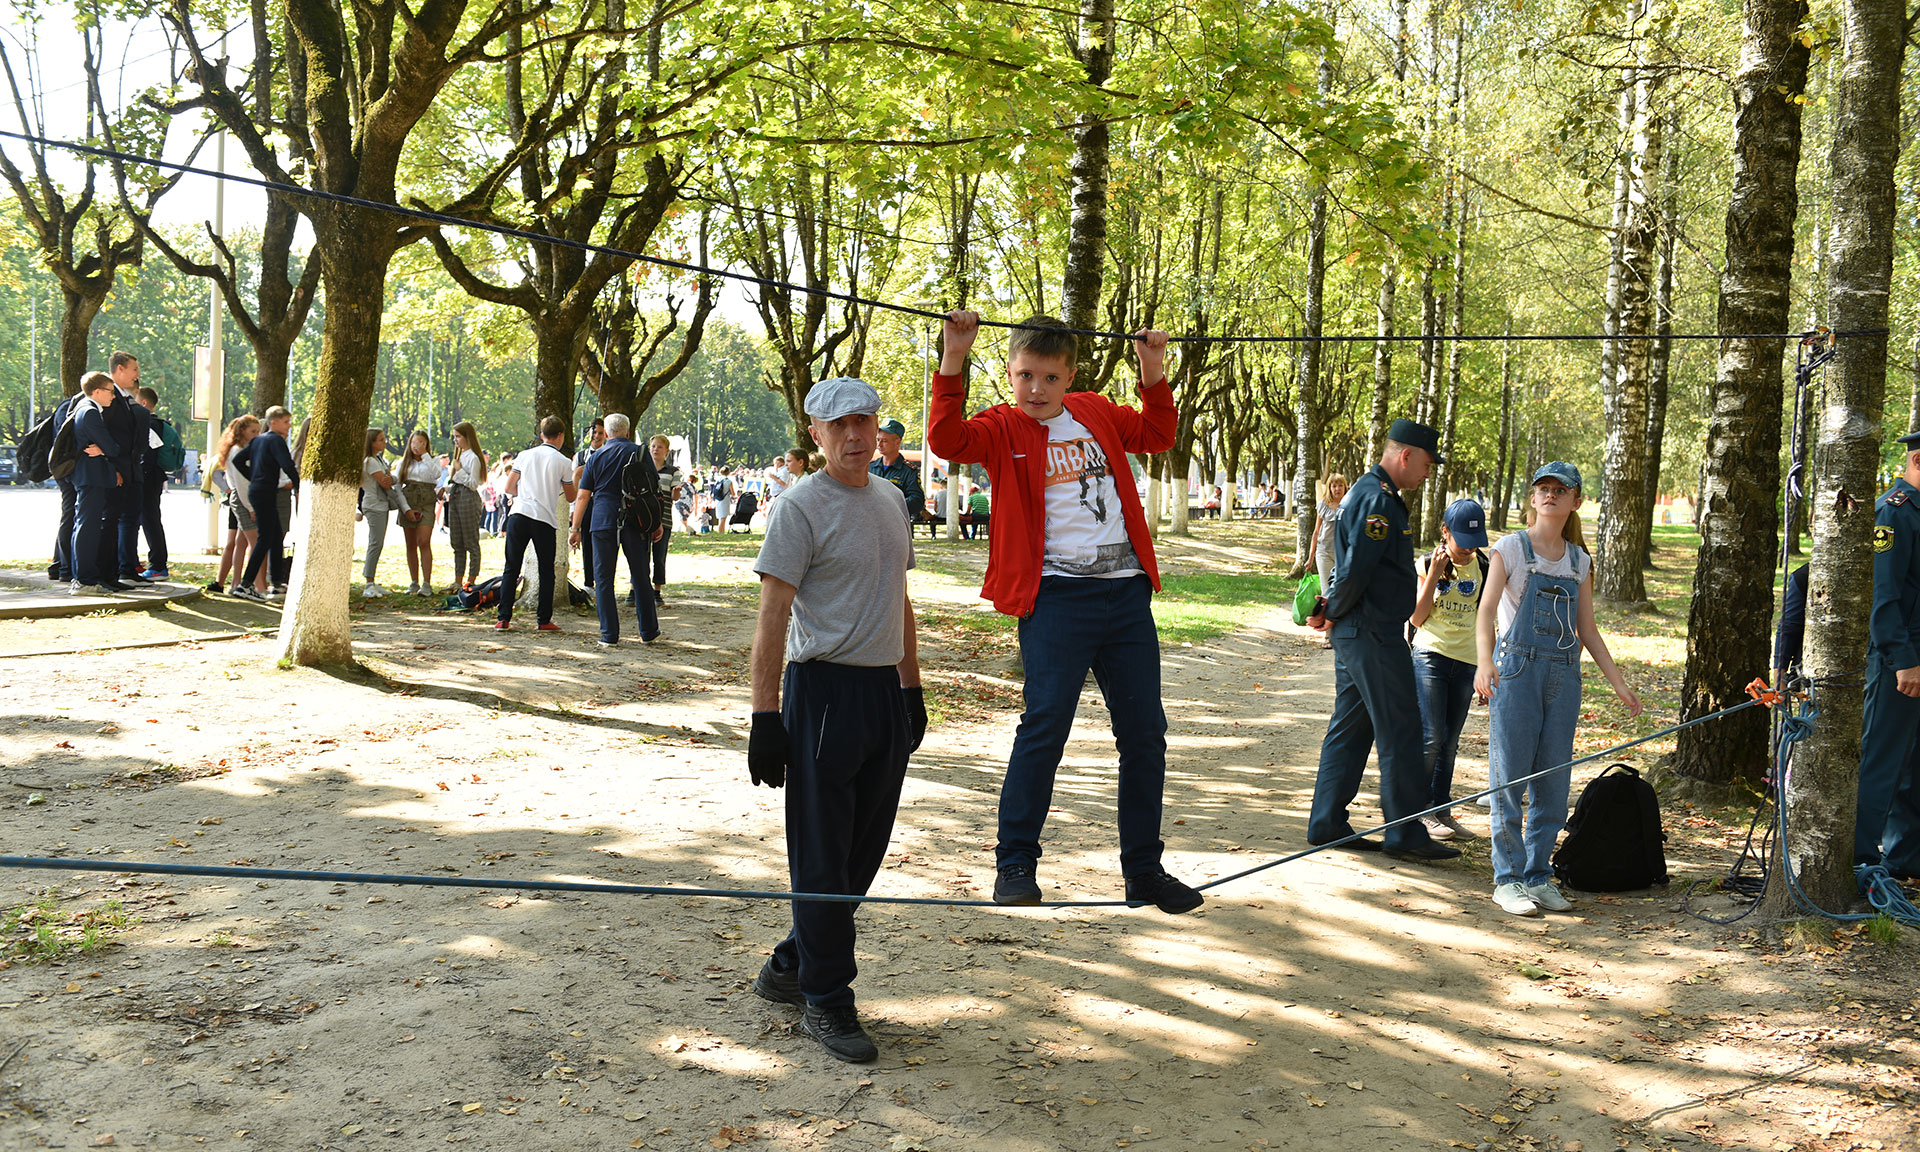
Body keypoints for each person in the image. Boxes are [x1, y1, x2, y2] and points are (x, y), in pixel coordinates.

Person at [927, 310, 1202, 915]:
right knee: (1045, 725)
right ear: (1009, 373)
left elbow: (1158, 433)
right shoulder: (1001, 427)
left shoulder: (1096, 412)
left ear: (1070, 375)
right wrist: (954, 355)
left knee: (1145, 734)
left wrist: (1152, 368)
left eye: (1050, 377)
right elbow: (946, 441)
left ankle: (1143, 871)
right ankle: (1015, 863)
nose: (1037, 389)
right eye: (1025, 375)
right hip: (1054, 597)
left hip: (1125, 595)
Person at [745, 375, 925, 1064]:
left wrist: (910, 687)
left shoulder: (890, 499)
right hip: (821, 693)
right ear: (816, 433)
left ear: (878, 426)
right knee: (823, 852)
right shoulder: (799, 507)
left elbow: (897, 595)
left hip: (882, 691)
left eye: (864, 421)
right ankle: (826, 998)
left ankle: (793, 963)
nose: (854, 435)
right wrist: (765, 715)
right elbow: (772, 614)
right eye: (839, 424)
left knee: (863, 852)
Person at [1474, 462, 1642, 916]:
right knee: (1509, 778)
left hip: (1564, 677)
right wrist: (1485, 662)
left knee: (1552, 781)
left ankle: (1537, 875)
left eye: (1560, 490)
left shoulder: (1579, 561)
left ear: (1576, 501)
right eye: (1543, 488)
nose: (1550, 495)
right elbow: (1486, 611)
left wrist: (1619, 684)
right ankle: (1508, 879)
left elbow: (1588, 630)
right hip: (1516, 672)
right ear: (1532, 498)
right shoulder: (1511, 548)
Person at [1305, 420, 1461, 863]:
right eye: (1427, 463)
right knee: (1403, 727)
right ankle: (1405, 832)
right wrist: (1332, 611)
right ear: (1405, 455)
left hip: (1362, 629)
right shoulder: (1377, 498)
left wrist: (1334, 611)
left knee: (1352, 728)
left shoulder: (1375, 493)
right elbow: (1357, 567)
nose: (1428, 472)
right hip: (1371, 630)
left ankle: (1327, 822)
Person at [1856, 432, 1920, 879]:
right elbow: (1883, 595)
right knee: (1882, 763)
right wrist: (1902, 659)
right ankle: (1859, 862)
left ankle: (1904, 861)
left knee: (1914, 769)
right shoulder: (1894, 512)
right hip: (1901, 658)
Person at [1409, 498, 1490, 841]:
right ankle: (1419, 811)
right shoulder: (1427, 562)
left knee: (1450, 741)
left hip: (1467, 660)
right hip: (1431, 655)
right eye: (1462, 540)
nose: (1469, 548)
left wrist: (1486, 665)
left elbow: (1486, 621)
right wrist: (1434, 575)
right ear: (1445, 532)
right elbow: (1417, 617)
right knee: (1432, 738)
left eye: (1474, 541)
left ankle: (1442, 810)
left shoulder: (1484, 566)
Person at [569, 413, 661, 646]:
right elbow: (653, 489)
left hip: (603, 520)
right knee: (640, 576)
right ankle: (648, 631)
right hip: (636, 520)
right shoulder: (640, 453)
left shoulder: (596, 457)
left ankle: (609, 634)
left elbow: (583, 496)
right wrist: (657, 522)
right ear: (628, 432)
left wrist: (575, 527)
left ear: (607, 434)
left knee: (603, 578)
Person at [497, 416, 577, 632]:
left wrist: (525, 492)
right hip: (544, 519)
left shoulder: (524, 455)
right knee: (546, 570)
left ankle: (503, 617)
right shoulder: (563, 462)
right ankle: (543, 620)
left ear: (542, 435)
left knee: (511, 567)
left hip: (519, 514)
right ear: (560, 436)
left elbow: (509, 487)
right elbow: (571, 496)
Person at [232, 406, 298, 603]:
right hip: (264, 493)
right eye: (285, 422)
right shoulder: (276, 440)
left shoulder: (259, 440)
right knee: (265, 538)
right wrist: (299, 485)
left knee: (276, 537)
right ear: (273, 422)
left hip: (260, 491)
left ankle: (276, 583)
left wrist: (254, 478)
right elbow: (287, 464)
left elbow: (238, 461)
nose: (289, 426)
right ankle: (245, 585)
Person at [66, 373, 124, 595]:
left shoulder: (82, 408)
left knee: (83, 525)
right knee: (87, 528)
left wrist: (104, 449)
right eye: (111, 391)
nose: (113, 396)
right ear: (97, 391)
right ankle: (85, 581)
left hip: (87, 476)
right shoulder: (90, 411)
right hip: (91, 477)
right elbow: (112, 448)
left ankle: (81, 578)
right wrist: (106, 449)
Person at [103, 352, 150, 587]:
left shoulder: (122, 399)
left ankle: (118, 572)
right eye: (134, 369)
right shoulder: (108, 398)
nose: (137, 374)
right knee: (112, 522)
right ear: (120, 369)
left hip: (128, 470)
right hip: (116, 471)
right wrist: (113, 468)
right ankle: (109, 574)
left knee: (122, 521)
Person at [208, 415, 260, 595]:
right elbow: (241, 482)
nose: (257, 435)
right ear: (242, 431)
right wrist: (251, 507)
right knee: (252, 543)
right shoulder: (237, 451)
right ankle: (247, 584)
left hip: (241, 497)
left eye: (258, 431)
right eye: (253, 431)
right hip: (243, 498)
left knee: (240, 541)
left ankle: (236, 582)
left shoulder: (240, 449)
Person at [133, 386, 178, 580]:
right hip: (155, 477)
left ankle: (158, 565)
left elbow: (148, 456)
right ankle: (149, 563)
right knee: (149, 519)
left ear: (144, 403)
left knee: (149, 520)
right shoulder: (160, 424)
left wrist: (138, 475)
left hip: (147, 479)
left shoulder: (149, 425)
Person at [359, 428, 410, 597]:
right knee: (375, 543)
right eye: (381, 439)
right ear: (372, 442)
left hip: (381, 505)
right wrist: (393, 478)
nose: (385, 442)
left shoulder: (378, 460)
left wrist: (391, 477)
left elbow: (389, 478)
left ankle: (372, 580)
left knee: (378, 542)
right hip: (374, 505)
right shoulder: (371, 462)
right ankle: (369, 583)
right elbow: (385, 482)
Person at [397, 430, 441, 596]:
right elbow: (397, 487)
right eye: (414, 442)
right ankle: (414, 581)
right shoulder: (404, 463)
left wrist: (425, 455)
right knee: (410, 544)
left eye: (421, 443)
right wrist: (406, 509)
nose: (417, 446)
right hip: (409, 500)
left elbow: (436, 474)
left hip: (426, 501)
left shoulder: (433, 460)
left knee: (423, 541)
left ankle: (427, 583)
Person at [445, 421, 488, 590]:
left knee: (470, 541)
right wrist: (445, 489)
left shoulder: (473, 458)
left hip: (468, 499)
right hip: (456, 497)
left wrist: (460, 470)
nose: (455, 440)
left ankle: (471, 580)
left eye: (458, 436)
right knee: (457, 541)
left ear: (467, 437)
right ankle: (458, 580)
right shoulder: (460, 456)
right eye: (454, 437)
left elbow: (473, 484)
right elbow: (456, 482)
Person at [869, 417, 925, 525]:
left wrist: (891, 507)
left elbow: (917, 501)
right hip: (871, 524)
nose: (879, 445)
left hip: (895, 525)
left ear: (897, 442)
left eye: (884, 441)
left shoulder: (908, 471)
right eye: (878, 440)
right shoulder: (870, 468)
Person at [649, 434, 682, 606]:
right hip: (644, 520)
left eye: (660, 447)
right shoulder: (644, 468)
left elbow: (675, 496)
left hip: (664, 519)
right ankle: (635, 589)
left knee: (659, 558)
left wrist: (676, 492)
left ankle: (657, 591)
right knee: (640, 557)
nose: (656, 449)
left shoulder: (673, 471)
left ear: (667, 451)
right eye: (653, 446)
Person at [1303, 472, 1348, 594]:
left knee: (1342, 591)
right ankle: (1326, 607)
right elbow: (1316, 532)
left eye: (1340, 485)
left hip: (1343, 554)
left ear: (1345, 487)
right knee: (1326, 591)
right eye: (1334, 486)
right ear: (1329, 488)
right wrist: (1310, 558)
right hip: (1324, 552)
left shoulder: (1350, 505)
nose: (1337, 489)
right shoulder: (1323, 505)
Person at [575, 417, 607, 580]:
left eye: (600, 433)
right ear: (589, 433)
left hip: (602, 502)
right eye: (594, 432)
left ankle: (603, 579)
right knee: (586, 543)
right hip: (585, 503)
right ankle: (589, 581)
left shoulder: (608, 454)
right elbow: (574, 483)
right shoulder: (580, 456)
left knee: (602, 543)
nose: (597, 436)